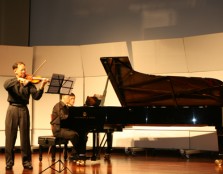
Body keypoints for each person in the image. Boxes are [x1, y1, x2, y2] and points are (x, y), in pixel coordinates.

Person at [4, 61, 49, 170]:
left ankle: (26, 162)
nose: (24, 71)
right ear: (15, 70)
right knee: (10, 137)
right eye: (22, 69)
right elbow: (5, 85)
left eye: (25, 69)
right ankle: (9, 162)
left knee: (25, 137)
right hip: (12, 109)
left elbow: (36, 96)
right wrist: (19, 80)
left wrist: (42, 86)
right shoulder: (11, 81)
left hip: (24, 109)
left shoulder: (29, 83)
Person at [51, 93, 79, 161]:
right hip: (58, 130)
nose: (70, 98)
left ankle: (76, 154)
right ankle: (76, 154)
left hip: (64, 129)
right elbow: (62, 117)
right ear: (63, 97)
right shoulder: (58, 106)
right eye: (68, 97)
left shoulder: (66, 107)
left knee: (81, 134)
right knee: (74, 135)